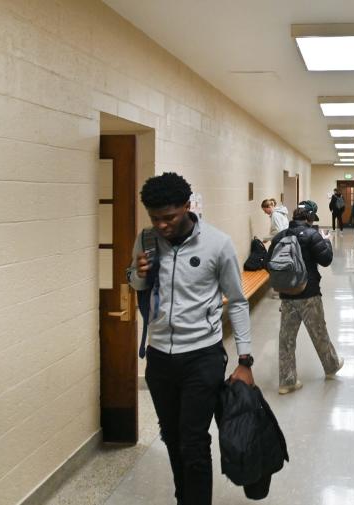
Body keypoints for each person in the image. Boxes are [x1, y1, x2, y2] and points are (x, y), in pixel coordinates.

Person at [127, 172, 254, 505]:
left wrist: (245, 359)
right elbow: (135, 284)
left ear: (187, 206)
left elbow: (237, 302)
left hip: (203, 356)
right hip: (159, 357)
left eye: (169, 217)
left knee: (194, 442)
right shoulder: (146, 239)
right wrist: (138, 275)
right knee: (171, 437)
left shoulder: (217, 243)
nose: (162, 225)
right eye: (155, 218)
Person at [266, 204, 343, 394]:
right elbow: (326, 260)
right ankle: (331, 367)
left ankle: (287, 381)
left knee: (286, 339)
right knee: (319, 333)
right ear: (308, 219)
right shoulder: (312, 235)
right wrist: (326, 241)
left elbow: (270, 264)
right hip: (309, 294)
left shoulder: (280, 237)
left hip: (287, 295)